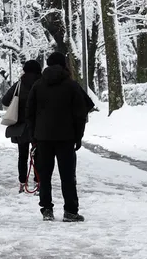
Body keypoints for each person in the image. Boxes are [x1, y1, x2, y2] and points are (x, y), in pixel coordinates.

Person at [26, 51, 88, 222]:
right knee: (68, 176)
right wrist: (78, 136)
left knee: (44, 176)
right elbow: (80, 114)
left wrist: (34, 136)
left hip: (43, 138)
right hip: (66, 138)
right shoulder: (72, 86)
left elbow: (29, 113)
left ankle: (46, 209)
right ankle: (70, 211)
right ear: (64, 65)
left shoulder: (38, 85)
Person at [1, 59, 42, 193]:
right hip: (38, 126)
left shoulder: (20, 84)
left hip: (22, 127)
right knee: (39, 156)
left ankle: (22, 183)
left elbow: (5, 101)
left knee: (22, 156)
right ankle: (38, 184)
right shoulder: (42, 83)